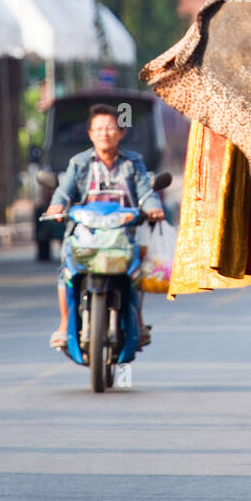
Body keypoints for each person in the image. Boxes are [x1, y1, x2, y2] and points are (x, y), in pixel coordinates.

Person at [46, 104, 164, 350]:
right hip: (86, 234)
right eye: (98, 129)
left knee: (136, 273)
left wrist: (153, 207)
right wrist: (56, 206)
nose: (104, 133)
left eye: (110, 128)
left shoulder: (133, 162)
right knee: (66, 271)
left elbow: (145, 191)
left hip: (123, 233)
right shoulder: (78, 163)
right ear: (90, 134)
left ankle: (138, 321)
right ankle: (64, 323)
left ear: (120, 133)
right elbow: (63, 192)